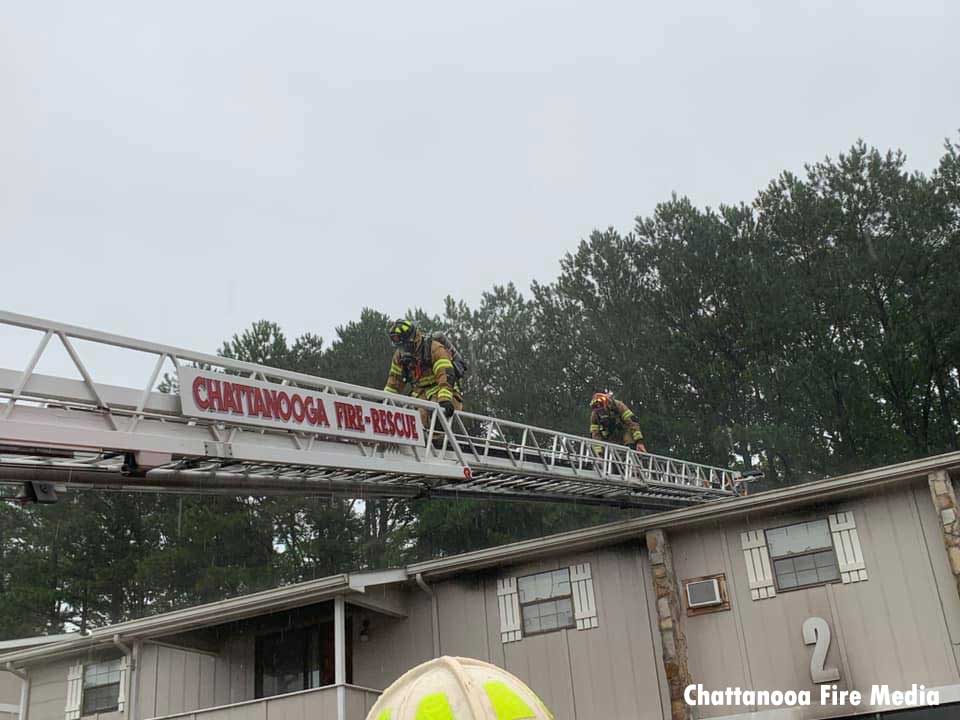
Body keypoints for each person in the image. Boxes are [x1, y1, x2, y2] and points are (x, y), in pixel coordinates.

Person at [383, 319, 463, 428]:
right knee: (409, 416)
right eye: (400, 347)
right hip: (420, 394)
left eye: (406, 346)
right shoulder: (399, 356)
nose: (403, 350)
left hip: (444, 392)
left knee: (433, 413)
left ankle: (438, 442)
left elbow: (446, 375)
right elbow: (393, 382)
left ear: (414, 339)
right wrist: (385, 401)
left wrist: (445, 399)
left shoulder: (434, 349)